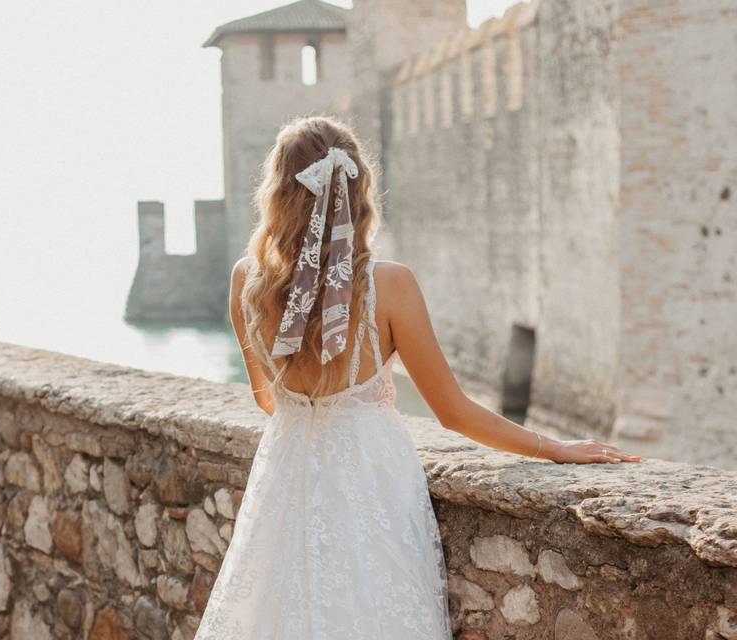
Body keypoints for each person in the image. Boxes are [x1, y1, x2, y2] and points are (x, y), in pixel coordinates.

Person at [194, 115, 642, 639]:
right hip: (371, 477)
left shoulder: (246, 282)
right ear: (359, 190)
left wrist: (312, 411)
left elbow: (269, 401)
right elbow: (452, 412)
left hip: (285, 474)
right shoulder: (389, 285)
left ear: (277, 192)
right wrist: (553, 447)